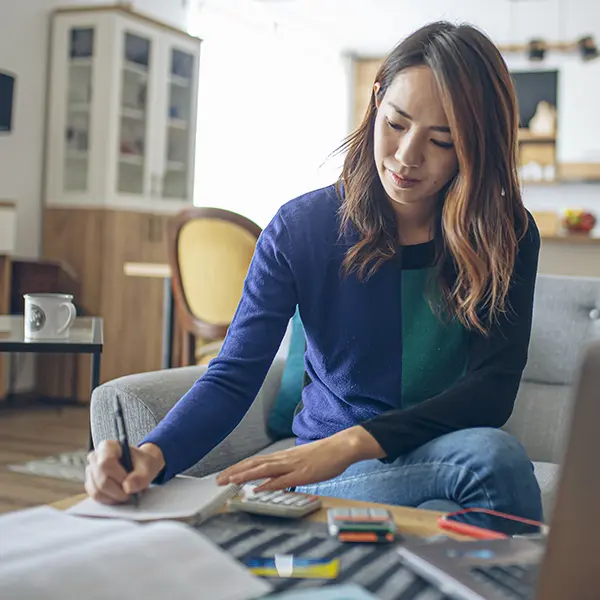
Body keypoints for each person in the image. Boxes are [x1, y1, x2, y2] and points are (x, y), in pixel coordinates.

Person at [86, 21, 542, 520]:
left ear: (477, 146)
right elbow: (234, 376)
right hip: (331, 473)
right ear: (375, 100)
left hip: (433, 452)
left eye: (442, 141)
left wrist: (351, 443)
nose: (407, 157)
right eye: (395, 124)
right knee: (489, 467)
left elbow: (492, 390)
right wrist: (150, 457)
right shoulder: (302, 228)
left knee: (484, 464)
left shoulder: (505, 234)